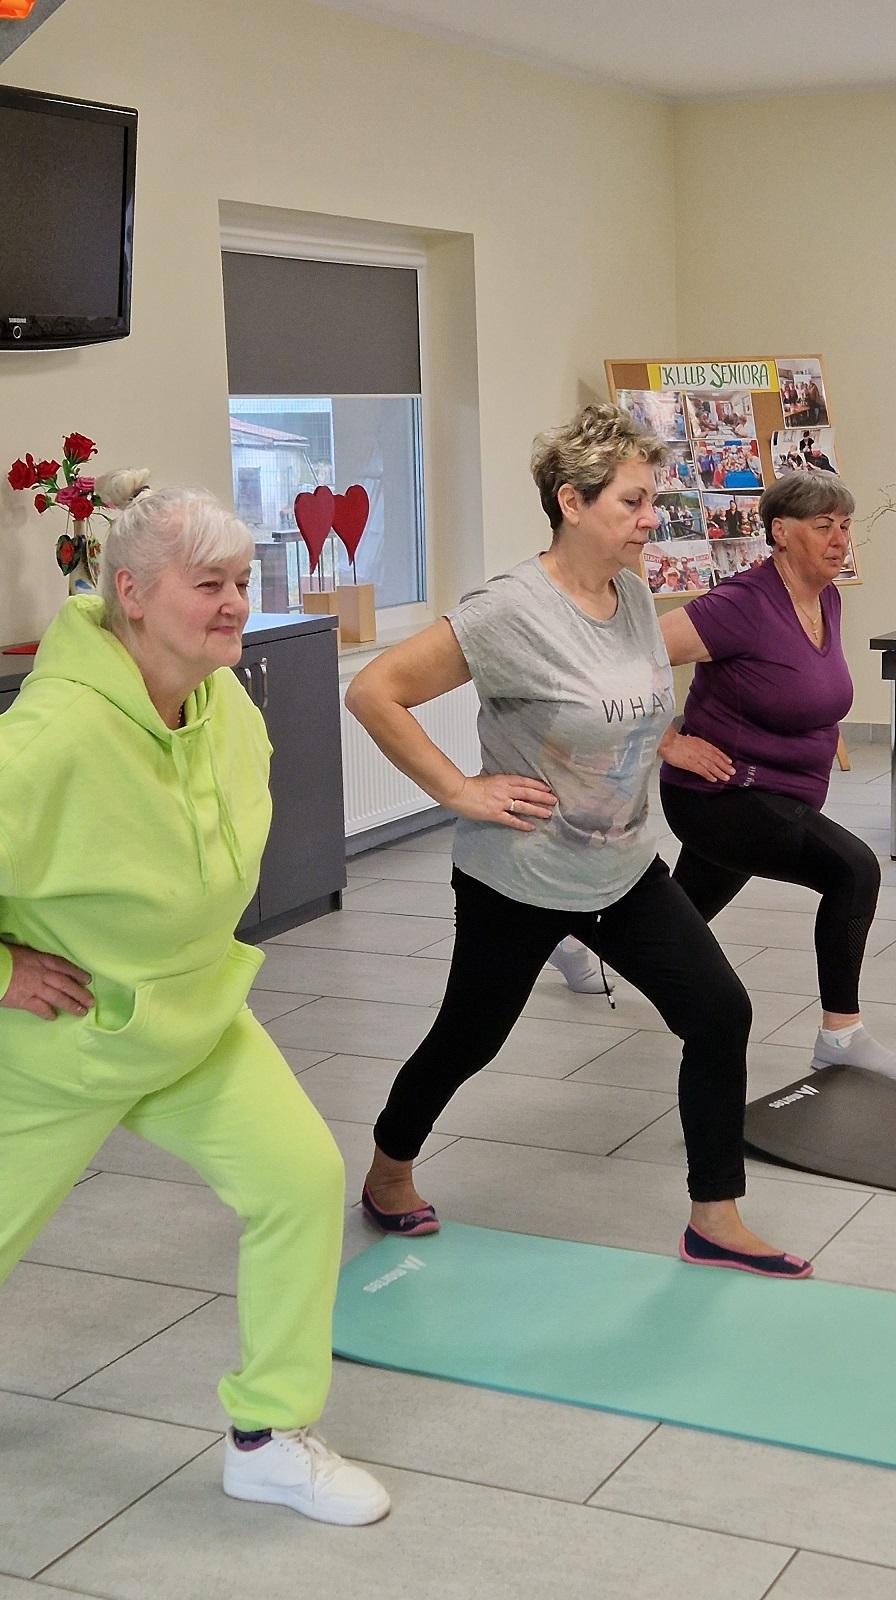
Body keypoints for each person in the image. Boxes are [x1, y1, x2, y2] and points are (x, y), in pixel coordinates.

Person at [346, 404, 811, 1279]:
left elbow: (630, 706)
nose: (650, 519)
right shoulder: (507, 612)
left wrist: (666, 743)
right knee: (469, 1039)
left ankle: (714, 1215)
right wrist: (459, 790)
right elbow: (373, 691)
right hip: (520, 874)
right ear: (571, 500)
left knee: (719, 1013)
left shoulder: (630, 594)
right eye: (634, 503)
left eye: (651, 500)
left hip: (624, 866)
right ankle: (388, 1168)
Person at [0, 484, 389, 1525]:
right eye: (207, 584)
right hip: (59, 1039)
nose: (233, 603)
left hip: (194, 1016)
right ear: (129, 593)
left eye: (242, 582)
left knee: (302, 1179)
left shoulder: (222, 702)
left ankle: (266, 1437)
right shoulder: (51, 738)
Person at [657, 469, 896, 1082]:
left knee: (677, 915)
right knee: (853, 870)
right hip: (721, 795)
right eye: (823, 526)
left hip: (778, 794)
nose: (839, 539)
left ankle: (578, 941)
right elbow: (625, 658)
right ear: (779, 531)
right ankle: (841, 1034)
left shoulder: (826, 595)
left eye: (845, 526)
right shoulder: (738, 605)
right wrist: (667, 741)